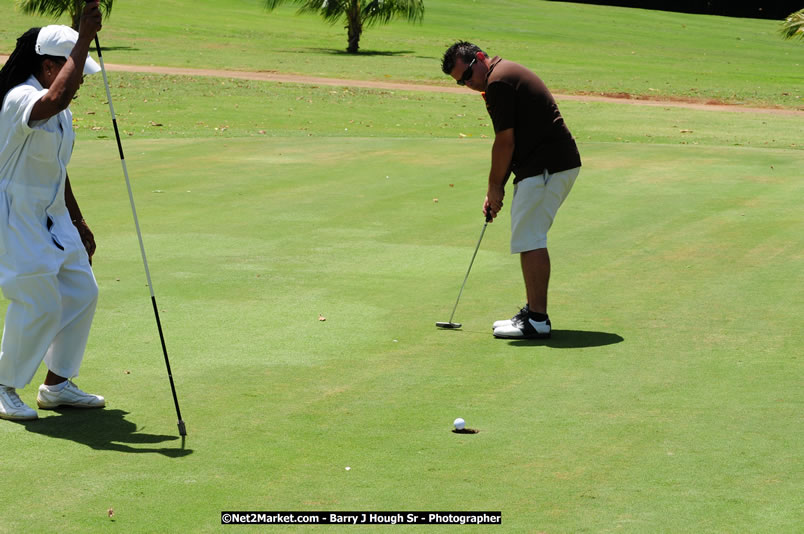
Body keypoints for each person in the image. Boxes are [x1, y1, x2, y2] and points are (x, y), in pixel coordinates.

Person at [0, 2, 106, 421]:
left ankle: (57, 385)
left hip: (52, 216)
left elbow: (57, 170)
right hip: (14, 216)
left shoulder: (62, 114)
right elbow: (57, 97)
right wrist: (83, 37)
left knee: (82, 291)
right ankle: (3, 384)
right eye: (74, 71)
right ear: (48, 66)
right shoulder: (21, 97)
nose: (79, 83)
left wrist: (77, 221)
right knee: (38, 301)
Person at [441, 41, 581, 339]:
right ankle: (532, 313)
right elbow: (511, 141)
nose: (468, 84)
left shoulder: (499, 81)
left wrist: (495, 188)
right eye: (461, 83)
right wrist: (496, 190)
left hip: (548, 165)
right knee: (527, 235)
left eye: (467, 76)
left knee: (530, 237)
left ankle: (538, 320)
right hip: (546, 164)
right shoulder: (498, 78)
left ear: (479, 58)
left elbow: (505, 141)